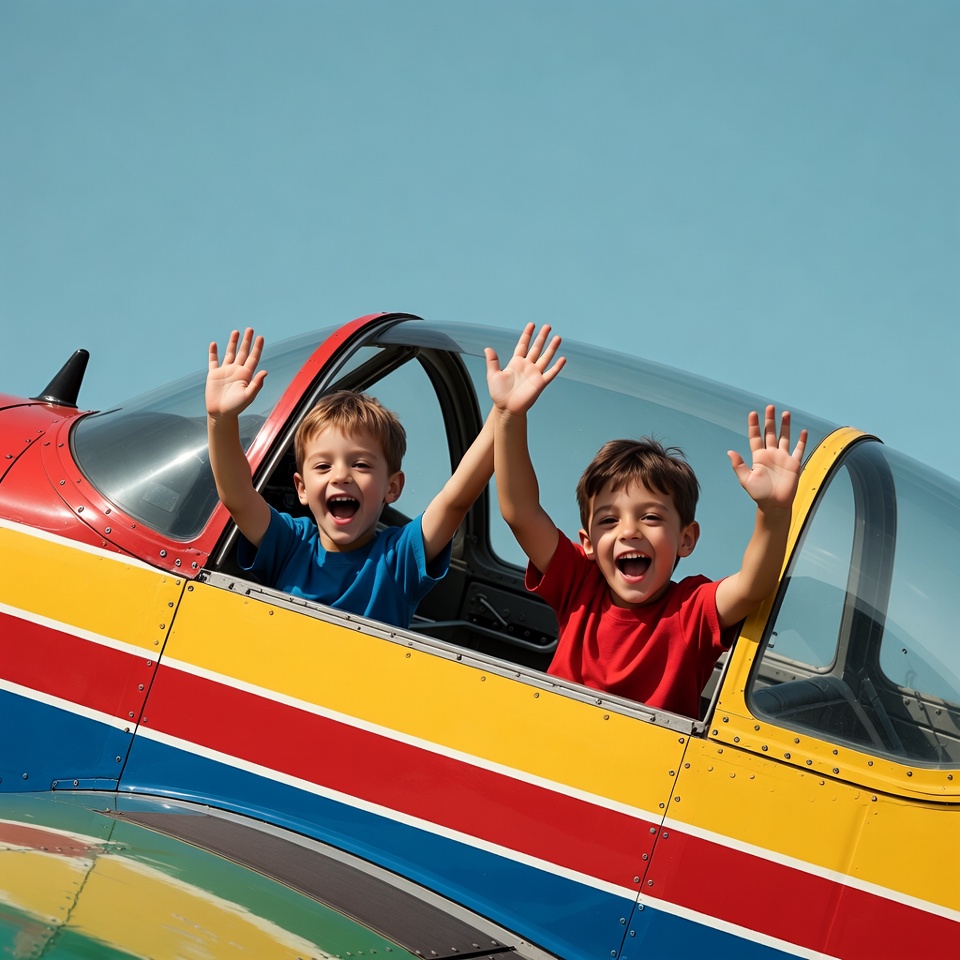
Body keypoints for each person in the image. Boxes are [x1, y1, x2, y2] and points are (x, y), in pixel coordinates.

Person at [485, 338, 807, 717]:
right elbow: (520, 512)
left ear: (686, 538)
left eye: (650, 517)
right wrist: (508, 416)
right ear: (587, 543)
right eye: (609, 520)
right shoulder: (579, 584)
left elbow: (754, 585)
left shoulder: (690, 610)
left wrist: (772, 511)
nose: (629, 531)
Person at [206, 324, 561, 629]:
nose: (341, 476)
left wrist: (504, 414)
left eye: (360, 465)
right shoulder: (290, 545)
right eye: (323, 466)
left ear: (393, 487)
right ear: (300, 488)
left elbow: (456, 499)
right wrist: (221, 420)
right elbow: (237, 495)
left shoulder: (397, 559)